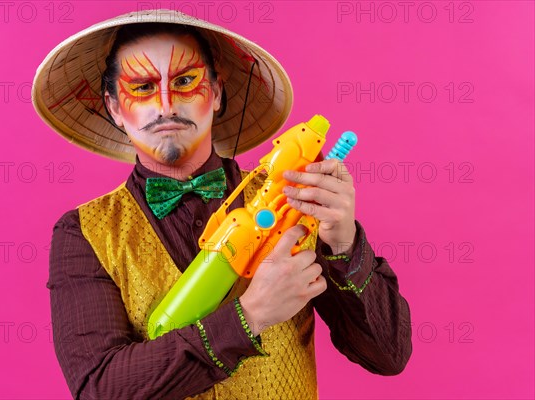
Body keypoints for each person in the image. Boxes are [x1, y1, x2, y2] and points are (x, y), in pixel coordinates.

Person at [33, 9, 412, 400]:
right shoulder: (83, 232)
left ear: (215, 93)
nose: (166, 105)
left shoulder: (292, 198)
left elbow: (388, 355)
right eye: (143, 87)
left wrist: (343, 242)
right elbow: (100, 389)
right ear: (114, 107)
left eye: (184, 81)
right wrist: (251, 315)